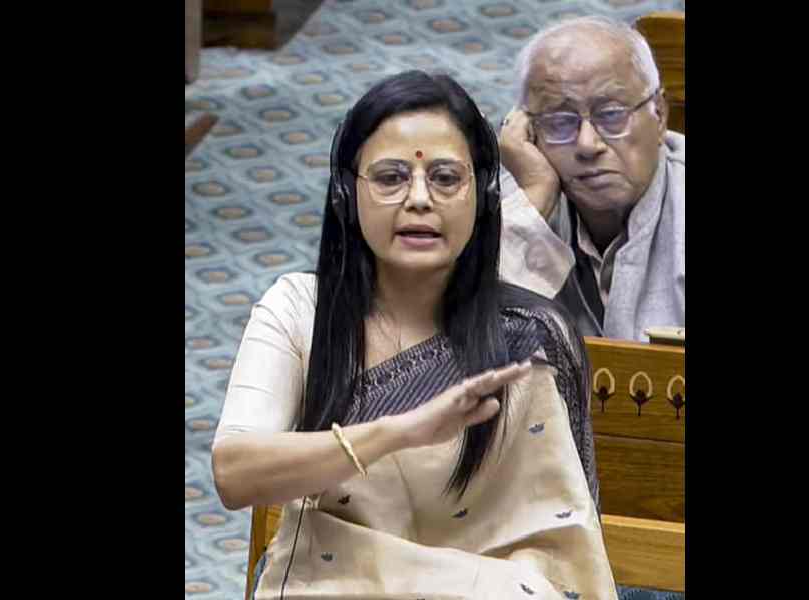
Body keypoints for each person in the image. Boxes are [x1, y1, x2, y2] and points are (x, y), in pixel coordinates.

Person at [211, 70, 617, 599]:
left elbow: (562, 546)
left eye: (446, 178)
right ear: (344, 193)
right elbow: (233, 473)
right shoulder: (298, 310)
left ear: (484, 192)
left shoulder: (531, 336)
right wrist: (399, 431)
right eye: (390, 178)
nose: (419, 199)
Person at [499, 15, 685, 342]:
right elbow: (454, 346)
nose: (587, 144)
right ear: (527, 130)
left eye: (612, 115)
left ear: (659, 116)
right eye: (559, 122)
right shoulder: (516, 202)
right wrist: (535, 200)